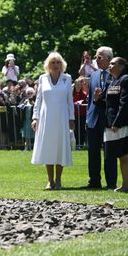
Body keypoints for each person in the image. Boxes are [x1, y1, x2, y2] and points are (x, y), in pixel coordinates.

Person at [31, 52, 75, 190]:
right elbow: (38, 100)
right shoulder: (42, 78)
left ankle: (59, 180)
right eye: (53, 62)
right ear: (48, 65)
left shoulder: (67, 79)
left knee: (60, 147)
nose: (55, 65)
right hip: (46, 118)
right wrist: (35, 117)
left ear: (62, 64)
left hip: (62, 118)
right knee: (48, 148)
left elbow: (70, 101)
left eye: (58, 62)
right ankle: (50, 181)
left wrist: (71, 118)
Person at [86, 46, 118, 189]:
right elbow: (90, 99)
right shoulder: (93, 75)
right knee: (93, 152)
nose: (96, 60)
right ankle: (94, 181)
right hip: (93, 119)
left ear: (108, 59)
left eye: (99, 57)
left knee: (109, 152)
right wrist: (88, 117)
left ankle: (111, 183)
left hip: (108, 119)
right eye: (96, 57)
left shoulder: (115, 75)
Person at [104, 57, 128, 192]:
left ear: (121, 66)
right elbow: (107, 102)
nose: (109, 66)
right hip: (111, 124)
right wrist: (97, 98)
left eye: (112, 63)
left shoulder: (127, 80)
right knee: (113, 155)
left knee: (123, 154)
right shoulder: (112, 81)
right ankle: (120, 184)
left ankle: (126, 185)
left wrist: (117, 122)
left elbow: (125, 103)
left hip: (122, 124)